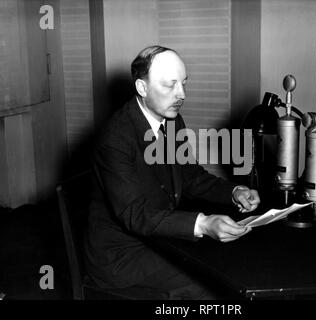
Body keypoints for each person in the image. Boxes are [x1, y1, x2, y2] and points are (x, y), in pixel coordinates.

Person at [84, 45, 260, 299]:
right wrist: (202, 223)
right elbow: (136, 215)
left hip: (158, 240)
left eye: (184, 83)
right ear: (142, 88)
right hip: (121, 256)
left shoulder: (172, 120)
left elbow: (190, 176)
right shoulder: (115, 138)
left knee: (231, 265)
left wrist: (234, 191)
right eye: (170, 85)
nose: (181, 95)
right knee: (211, 283)